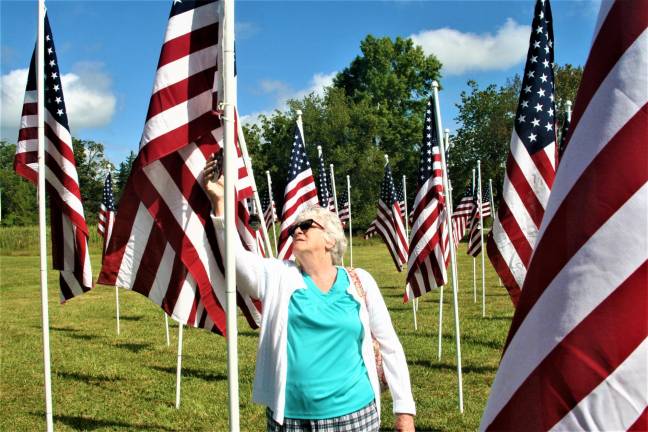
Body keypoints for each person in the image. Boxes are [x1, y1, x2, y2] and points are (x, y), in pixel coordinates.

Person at [203, 157, 416, 432]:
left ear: (330, 239)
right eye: (294, 228)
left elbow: (389, 345)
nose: (296, 231)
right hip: (290, 419)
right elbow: (238, 264)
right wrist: (220, 205)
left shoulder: (360, 281)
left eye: (306, 226)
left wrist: (405, 412)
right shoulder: (279, 275)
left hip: (355, 416)